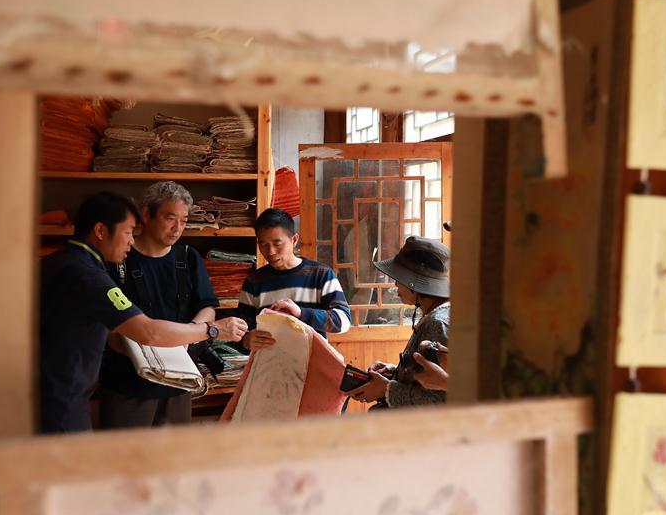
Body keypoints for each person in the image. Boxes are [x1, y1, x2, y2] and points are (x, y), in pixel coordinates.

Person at [39, 191, 245, 434]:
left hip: (50, 392)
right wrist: (212, 330)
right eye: (127, 232)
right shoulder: (89, 276)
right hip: (66, 399)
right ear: (101, 231)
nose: (131, 240)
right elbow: (147, 332)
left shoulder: (57, 263)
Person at [98, 181, 247, 429]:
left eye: (184, 220)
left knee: (176, 461)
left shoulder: (188, 257)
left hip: (180, 382)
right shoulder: (118, 259)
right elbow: (109, 327)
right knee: (126, 461)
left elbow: (208, 306)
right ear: (146, 214)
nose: (177, 228)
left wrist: (189, 333)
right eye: (170, 218)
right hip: (128, 384)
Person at [344, 236, 450, 408]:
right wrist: (397, 371)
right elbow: (430, 379)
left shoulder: (437, 323)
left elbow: (439, 401)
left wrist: (386, 389)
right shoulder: (439, 315)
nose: (395, 284)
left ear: (413, 283)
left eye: (399, 278)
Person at [238, 208, 350, 351]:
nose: (270, 252)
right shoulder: (254, 281)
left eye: (277, 244)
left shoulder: (321, 274)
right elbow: (241, 330)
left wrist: (301, 313)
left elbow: (344, 322)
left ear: (294, 240)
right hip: (270, 366)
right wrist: (246, 340)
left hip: (312, 364)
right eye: (263, 244)